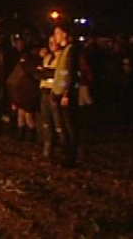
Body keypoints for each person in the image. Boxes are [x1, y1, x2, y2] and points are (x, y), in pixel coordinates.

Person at [51, 25, 80, 167]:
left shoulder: (71, 51)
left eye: (57, 33)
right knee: (64, 126)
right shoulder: (63, 51)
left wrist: (66, 93)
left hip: (64, 95)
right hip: (58, 93)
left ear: (64, 34)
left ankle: (71, 157)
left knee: (70, 127)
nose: (55, 36)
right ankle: (65, 154)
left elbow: (70, 74)